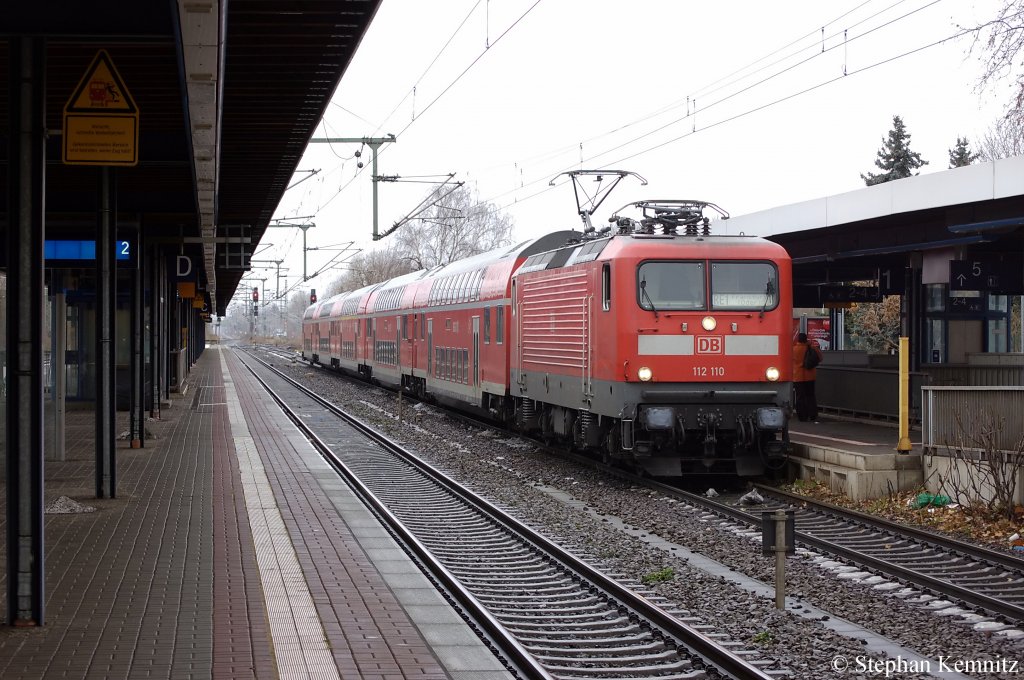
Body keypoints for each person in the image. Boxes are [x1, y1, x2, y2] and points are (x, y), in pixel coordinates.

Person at [792, 332, 822, 422]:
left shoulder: (793, 349)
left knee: (800, 396)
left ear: (798, 340)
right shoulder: (812, 348)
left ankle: (802, 416)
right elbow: (820, 358)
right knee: (810, 395)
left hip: (798, 376)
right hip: (810, 376)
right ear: (806, 339)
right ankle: (812, 414)